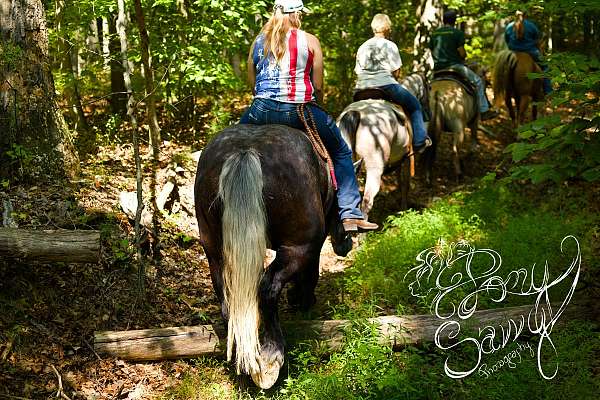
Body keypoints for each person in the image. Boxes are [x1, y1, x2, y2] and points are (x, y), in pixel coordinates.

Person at [240, 0, 378, 232]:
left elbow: (252, 82)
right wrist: (318, 108)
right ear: (294, 14)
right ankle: (350, 214)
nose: (301, 18)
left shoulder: (258, 41)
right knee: (342, 151)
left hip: (260, 110)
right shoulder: (310, 41)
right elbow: (319, 85)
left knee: (230, 141)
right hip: (299, 110)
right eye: (300, 15)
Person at [354, 14, 431, 153]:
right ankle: (420, 141)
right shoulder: (390, 45)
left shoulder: (362, 47)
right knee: (415, 106)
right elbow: (396, 72)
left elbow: (358, 71)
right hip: (386, 86)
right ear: (387, 28)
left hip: (361, 88)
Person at [429, 9, 497, 120]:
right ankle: (484, 111)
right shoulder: (457, 33)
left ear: (443, 20)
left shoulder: (435, 33)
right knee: (478, 81)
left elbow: (432, 51)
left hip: (438, 69)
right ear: (454, 21)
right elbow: (461, 52)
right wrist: (463, 58)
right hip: (455, 67)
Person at [504, 11, 552, 95]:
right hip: (530, 51)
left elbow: (507, 40)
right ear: (526, 15)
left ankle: (501, 89)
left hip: (512, 52)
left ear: (515, 16)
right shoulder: (531, 26)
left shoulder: (509, 26)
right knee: (545, 66)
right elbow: (537, 40)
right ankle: (548, 91)